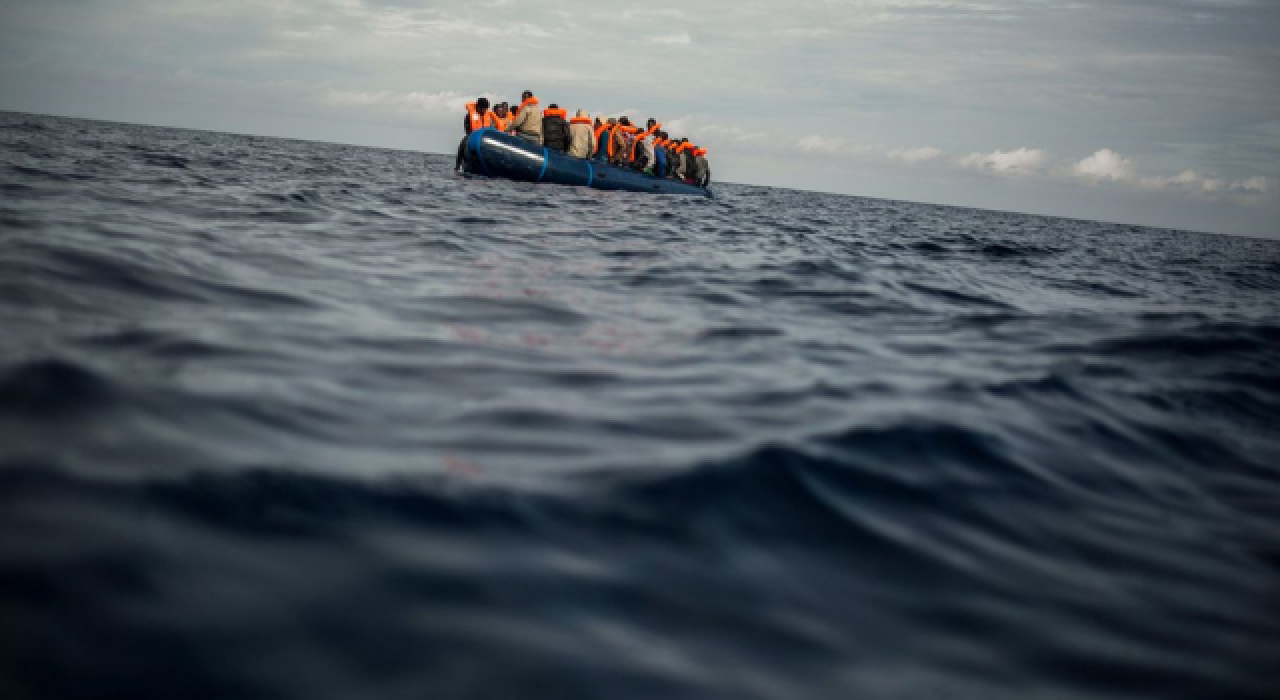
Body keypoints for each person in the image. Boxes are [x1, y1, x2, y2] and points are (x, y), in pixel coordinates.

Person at [456, 97, 495, 170]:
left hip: (485, 139)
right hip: (473, 136)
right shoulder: (469, 115)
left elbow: (491, 128)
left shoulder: (489, 117)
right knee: (463, 143)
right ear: (478, 107)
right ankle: (458, 165)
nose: (484, 111)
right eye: (483, 108)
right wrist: (471, 135)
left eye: (485, 109)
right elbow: (467, 128)